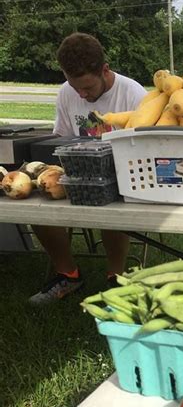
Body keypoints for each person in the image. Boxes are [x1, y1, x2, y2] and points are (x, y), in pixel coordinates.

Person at [29, 32, 147, 305]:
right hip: (77, 172)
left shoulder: (133, 93)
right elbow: (62, 140)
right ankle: (68, 274)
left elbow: (143, 151)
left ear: (105, 70)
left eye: (87, 88)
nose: (81, 95)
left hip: (122, 175)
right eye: (75, 88)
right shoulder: (66, 92)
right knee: (37, 202)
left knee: (109, 200)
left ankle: (115, 278)